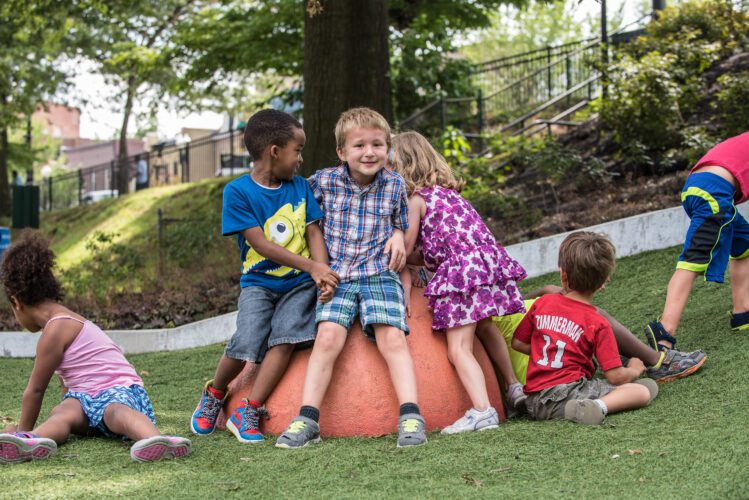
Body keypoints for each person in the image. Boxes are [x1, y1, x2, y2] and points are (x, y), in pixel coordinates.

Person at [275, 107, 423, 449]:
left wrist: (398, 236)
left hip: (377, 273)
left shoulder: (394, 184)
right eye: (359, 146)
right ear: (342, 152)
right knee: (327, 338)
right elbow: (299, 209)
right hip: (337, 275)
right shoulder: (323, 181)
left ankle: (411, 415)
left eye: (377, 144)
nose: (369, 152)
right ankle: (307, 419)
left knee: (393, 338)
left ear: (388, 148)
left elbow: (400, 221)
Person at [190, 109, 339, 444]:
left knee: (286, 339)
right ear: (275, 150)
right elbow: (261, 243)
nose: (300, 159)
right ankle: (215, 393)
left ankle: (250, 409)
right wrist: (311, 267)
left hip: (299, 286)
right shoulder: (238, 192)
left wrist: (322, 272)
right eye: (297, 150)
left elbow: (314, 231)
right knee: (248, 340)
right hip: (259, 284)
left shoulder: (300, 188)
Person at [0, 233, 191, 464]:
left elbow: (35, 391)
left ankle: (156, 439)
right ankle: (31, 441)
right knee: (62, 412)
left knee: (114, 411)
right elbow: (68, 381)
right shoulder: (61, 322)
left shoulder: (56, 329)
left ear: (16, 302)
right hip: (86, 400)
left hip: (119, 392)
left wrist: (19, 427)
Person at [390, 131, 527, 434]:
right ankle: (513, 386)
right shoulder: (451, 194)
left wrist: (395, 254)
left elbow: (408, 247)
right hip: (485, 265)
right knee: (486, 326)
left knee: (458, 349)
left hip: (460, 272)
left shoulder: (416, 200)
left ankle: (482, 410)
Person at [512, 232, 658, 425]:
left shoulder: (542, 304)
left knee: (649, 387)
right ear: (604, 281)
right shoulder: (597, 322)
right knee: (642, 391)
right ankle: (597, 407)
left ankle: (574, 406)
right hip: (569, 393)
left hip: (534, 399)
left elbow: (518, 342)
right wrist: (634, 369)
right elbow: (615, 376)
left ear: (563, 274)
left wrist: (547, 350)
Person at [647, 131, 749, 350]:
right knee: (692, 262)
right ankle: (664, 335)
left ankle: (743, 312)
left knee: (744, 242)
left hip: (699, 188)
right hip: (715, 191)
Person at [491, 286, 706, 388]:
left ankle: (616, 357)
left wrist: (526, 298)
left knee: (557, 296)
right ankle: (656, 361)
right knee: (587, 315)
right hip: (538, 369)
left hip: (530, 339)